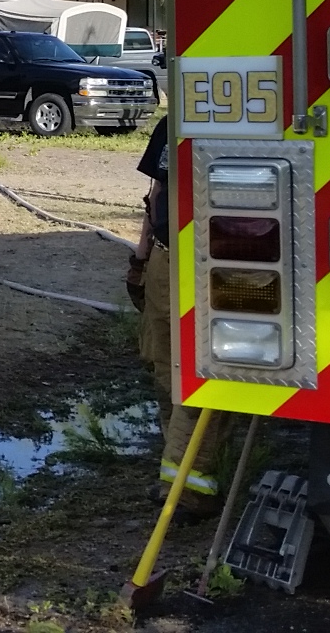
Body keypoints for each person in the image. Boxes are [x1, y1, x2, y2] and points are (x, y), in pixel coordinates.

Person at [128, 117, 230, 512]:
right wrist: (140, 259)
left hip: (218, 266)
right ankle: (179, 476)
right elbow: (157, 194)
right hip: (166, 261)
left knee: (201, 374)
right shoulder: (173, 125)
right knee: (165, 368)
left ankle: (187, 490)